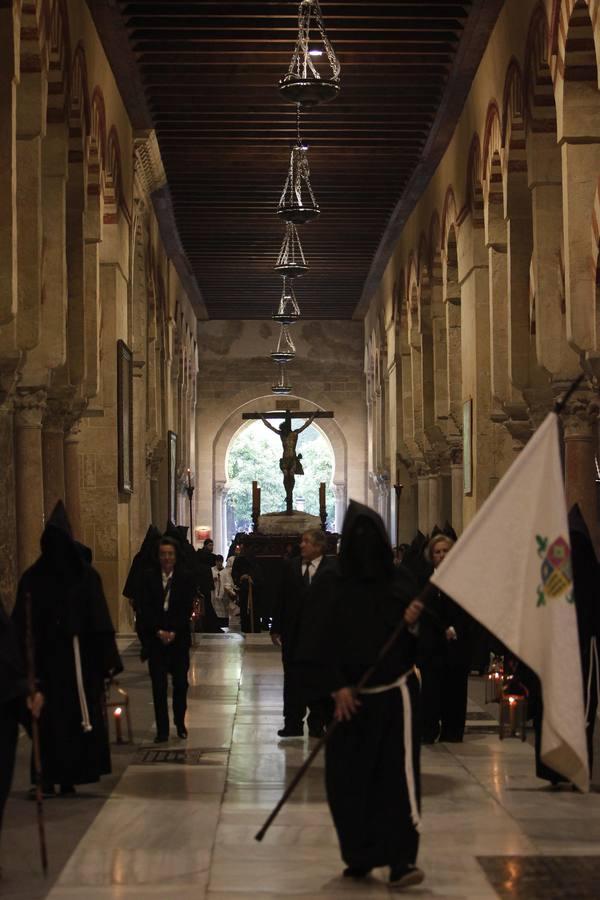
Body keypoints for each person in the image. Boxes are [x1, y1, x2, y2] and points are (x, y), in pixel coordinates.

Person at [295, 501, 424, 889]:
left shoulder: (400, 582)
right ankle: (359, 853)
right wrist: (335, 687)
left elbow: (416, 644)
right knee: (349, 780)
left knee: (396, 780)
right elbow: (314, 642)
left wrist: (413, 625)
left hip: (392, 698)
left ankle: (402, 860)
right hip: (347, 703)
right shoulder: (332, 584)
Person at [12, 502, 122, 796]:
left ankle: (66, 775)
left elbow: (98, 621)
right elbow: (22, 624)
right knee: (50, 723)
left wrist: (104, 662)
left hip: (76, 664)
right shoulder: (36, 579)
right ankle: (52, 776)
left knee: (69, 722)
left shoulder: (80, 578)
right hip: (51, 666)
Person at [271, 528, 337, 739]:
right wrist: (276, 627)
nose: (302, 545)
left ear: (319, 546)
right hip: (294, 634)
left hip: (322, 636)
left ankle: (318, 722)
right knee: (292, 679)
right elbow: (281, 597)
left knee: (320, 679)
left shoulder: (333, 568)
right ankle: (292, 723)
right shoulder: (290, 566)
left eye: (306, 542)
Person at [137, 537, 196, 742]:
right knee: (159, 686)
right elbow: (145, 608)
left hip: (178, 640)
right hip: (156, 640)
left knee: (180, 684)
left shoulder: (185, 577)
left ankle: (179, 723)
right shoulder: (148, 578)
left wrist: (174, 631)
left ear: (176, 556)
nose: (167, 558)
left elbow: (186, 607)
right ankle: (162, 730)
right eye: (163, 554)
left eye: (170, 554)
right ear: (158, 556)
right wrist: (158, 631)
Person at [417, 534, 473, 743]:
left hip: (456, 645)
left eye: (445, 551)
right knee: (431, 692)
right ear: (431, 556)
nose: (441, 555)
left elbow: (468, 610)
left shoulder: (463, 579)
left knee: (455, 692)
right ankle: (428, 730)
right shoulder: (425, 579)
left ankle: (452, 731)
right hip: (431, 645)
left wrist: (456, 629)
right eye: (437, 552)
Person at [259, 411, 317, 512]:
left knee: (291, 474)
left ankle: (289, 494)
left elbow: (306, 425)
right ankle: (288, 494)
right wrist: (261, 417)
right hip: (285, 459)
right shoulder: (282, 434)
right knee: (286, 475)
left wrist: (313, 416)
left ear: (286, 427)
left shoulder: (294, 433)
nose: (282, 430)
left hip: (292, 459)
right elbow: (270, 426)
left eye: (283, 428)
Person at [123, 524, 162, 660]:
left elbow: (134, 577)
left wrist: (132, 595)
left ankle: (148, 645)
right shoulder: (160, 557)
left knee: (143, 623)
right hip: (155, 599)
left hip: (143, 599)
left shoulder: (140, 557)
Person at [211, 555, 229, 630]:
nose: (219, 563)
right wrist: (213, 580)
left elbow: (228, 582)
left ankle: (224, 625)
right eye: (217, 561)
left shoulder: (225, 571)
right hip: (214, 593)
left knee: (224, 612)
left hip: (223, 595)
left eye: (220, 561)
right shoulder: (212, 570)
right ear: (215, 562)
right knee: (215, 610)